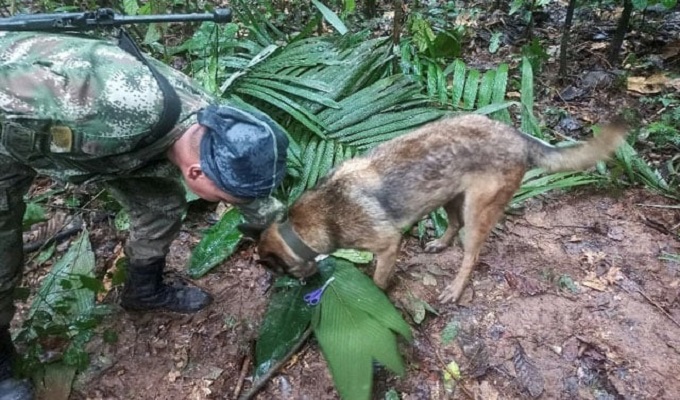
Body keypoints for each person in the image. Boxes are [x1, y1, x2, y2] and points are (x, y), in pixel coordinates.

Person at [0, 30, 288, 399]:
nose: (230, 205)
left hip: (113, 151)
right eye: (225, 200)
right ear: (196, 173)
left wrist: (295, 243)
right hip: (12, 131)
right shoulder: (110, 104)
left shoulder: (216, 131)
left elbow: (251, 197)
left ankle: (143, 290)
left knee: (161, 207)